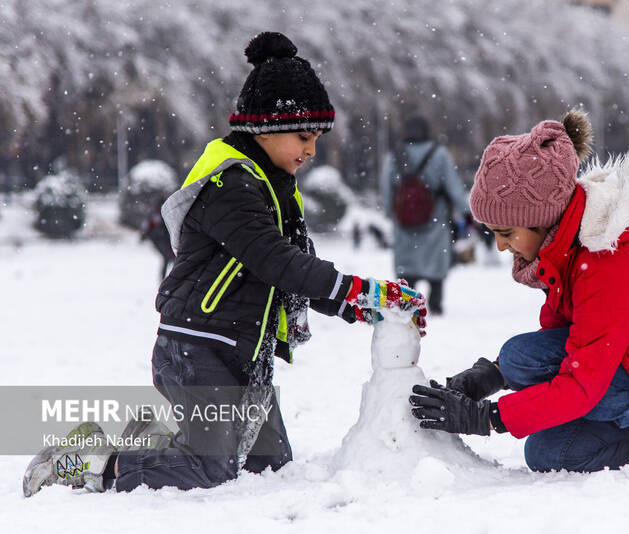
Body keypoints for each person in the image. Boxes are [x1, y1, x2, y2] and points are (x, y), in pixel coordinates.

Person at [23, 32, 425, 497]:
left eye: (316, 137)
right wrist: (359, 289)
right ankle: (91, 461)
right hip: (197, 348)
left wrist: (364, 307)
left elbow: (303, 268)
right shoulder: (230, 186)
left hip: (245, 353)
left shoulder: (276, 190)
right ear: (266, 129)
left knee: (268, 469)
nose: (312, 149)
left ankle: (152, 442)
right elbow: (276, 262)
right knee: (210, 472)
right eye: (303, 136)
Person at [409, 110, 629, 473]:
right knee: (548, 451)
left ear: (541, 217)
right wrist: (489, 376)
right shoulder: (568, 244)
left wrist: (487, 418)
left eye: (506, 233)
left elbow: (581, 381)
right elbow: (558, 343)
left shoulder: (606, 255)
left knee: (526, 364)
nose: (500, 247)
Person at [379, 114, 469, 315]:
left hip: (404, 220)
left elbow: (386, 188)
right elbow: (454, 187)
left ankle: (407, 304)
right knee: (435, 262)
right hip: (434, 219)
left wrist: (390, 211)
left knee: (407, 263)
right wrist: (467, 211)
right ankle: (435, 304)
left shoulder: (395, 155)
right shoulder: (439, 154)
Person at [139, 195, 175, 279]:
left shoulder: (159, 212)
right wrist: (143, 235)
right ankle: (166, 280)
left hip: (163, 237)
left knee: (169, 258)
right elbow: (149, 224)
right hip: (158, 238)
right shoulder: (157, 212)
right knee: (168, 257)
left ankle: (168, 280)